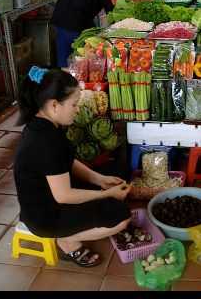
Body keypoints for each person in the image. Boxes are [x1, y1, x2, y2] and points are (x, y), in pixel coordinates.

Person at [14, 66, 132, 267]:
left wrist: (100, 180)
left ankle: (98, 203)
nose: (78, 109)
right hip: (46, 215)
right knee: (121, 217)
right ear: (54, 105)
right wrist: (106, 194)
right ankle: (67, 241)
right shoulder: (45, 141)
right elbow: (64, 195)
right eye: (74, 104)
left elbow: (67, 162)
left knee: (121, 169)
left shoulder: (48, 123)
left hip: (57, 191)